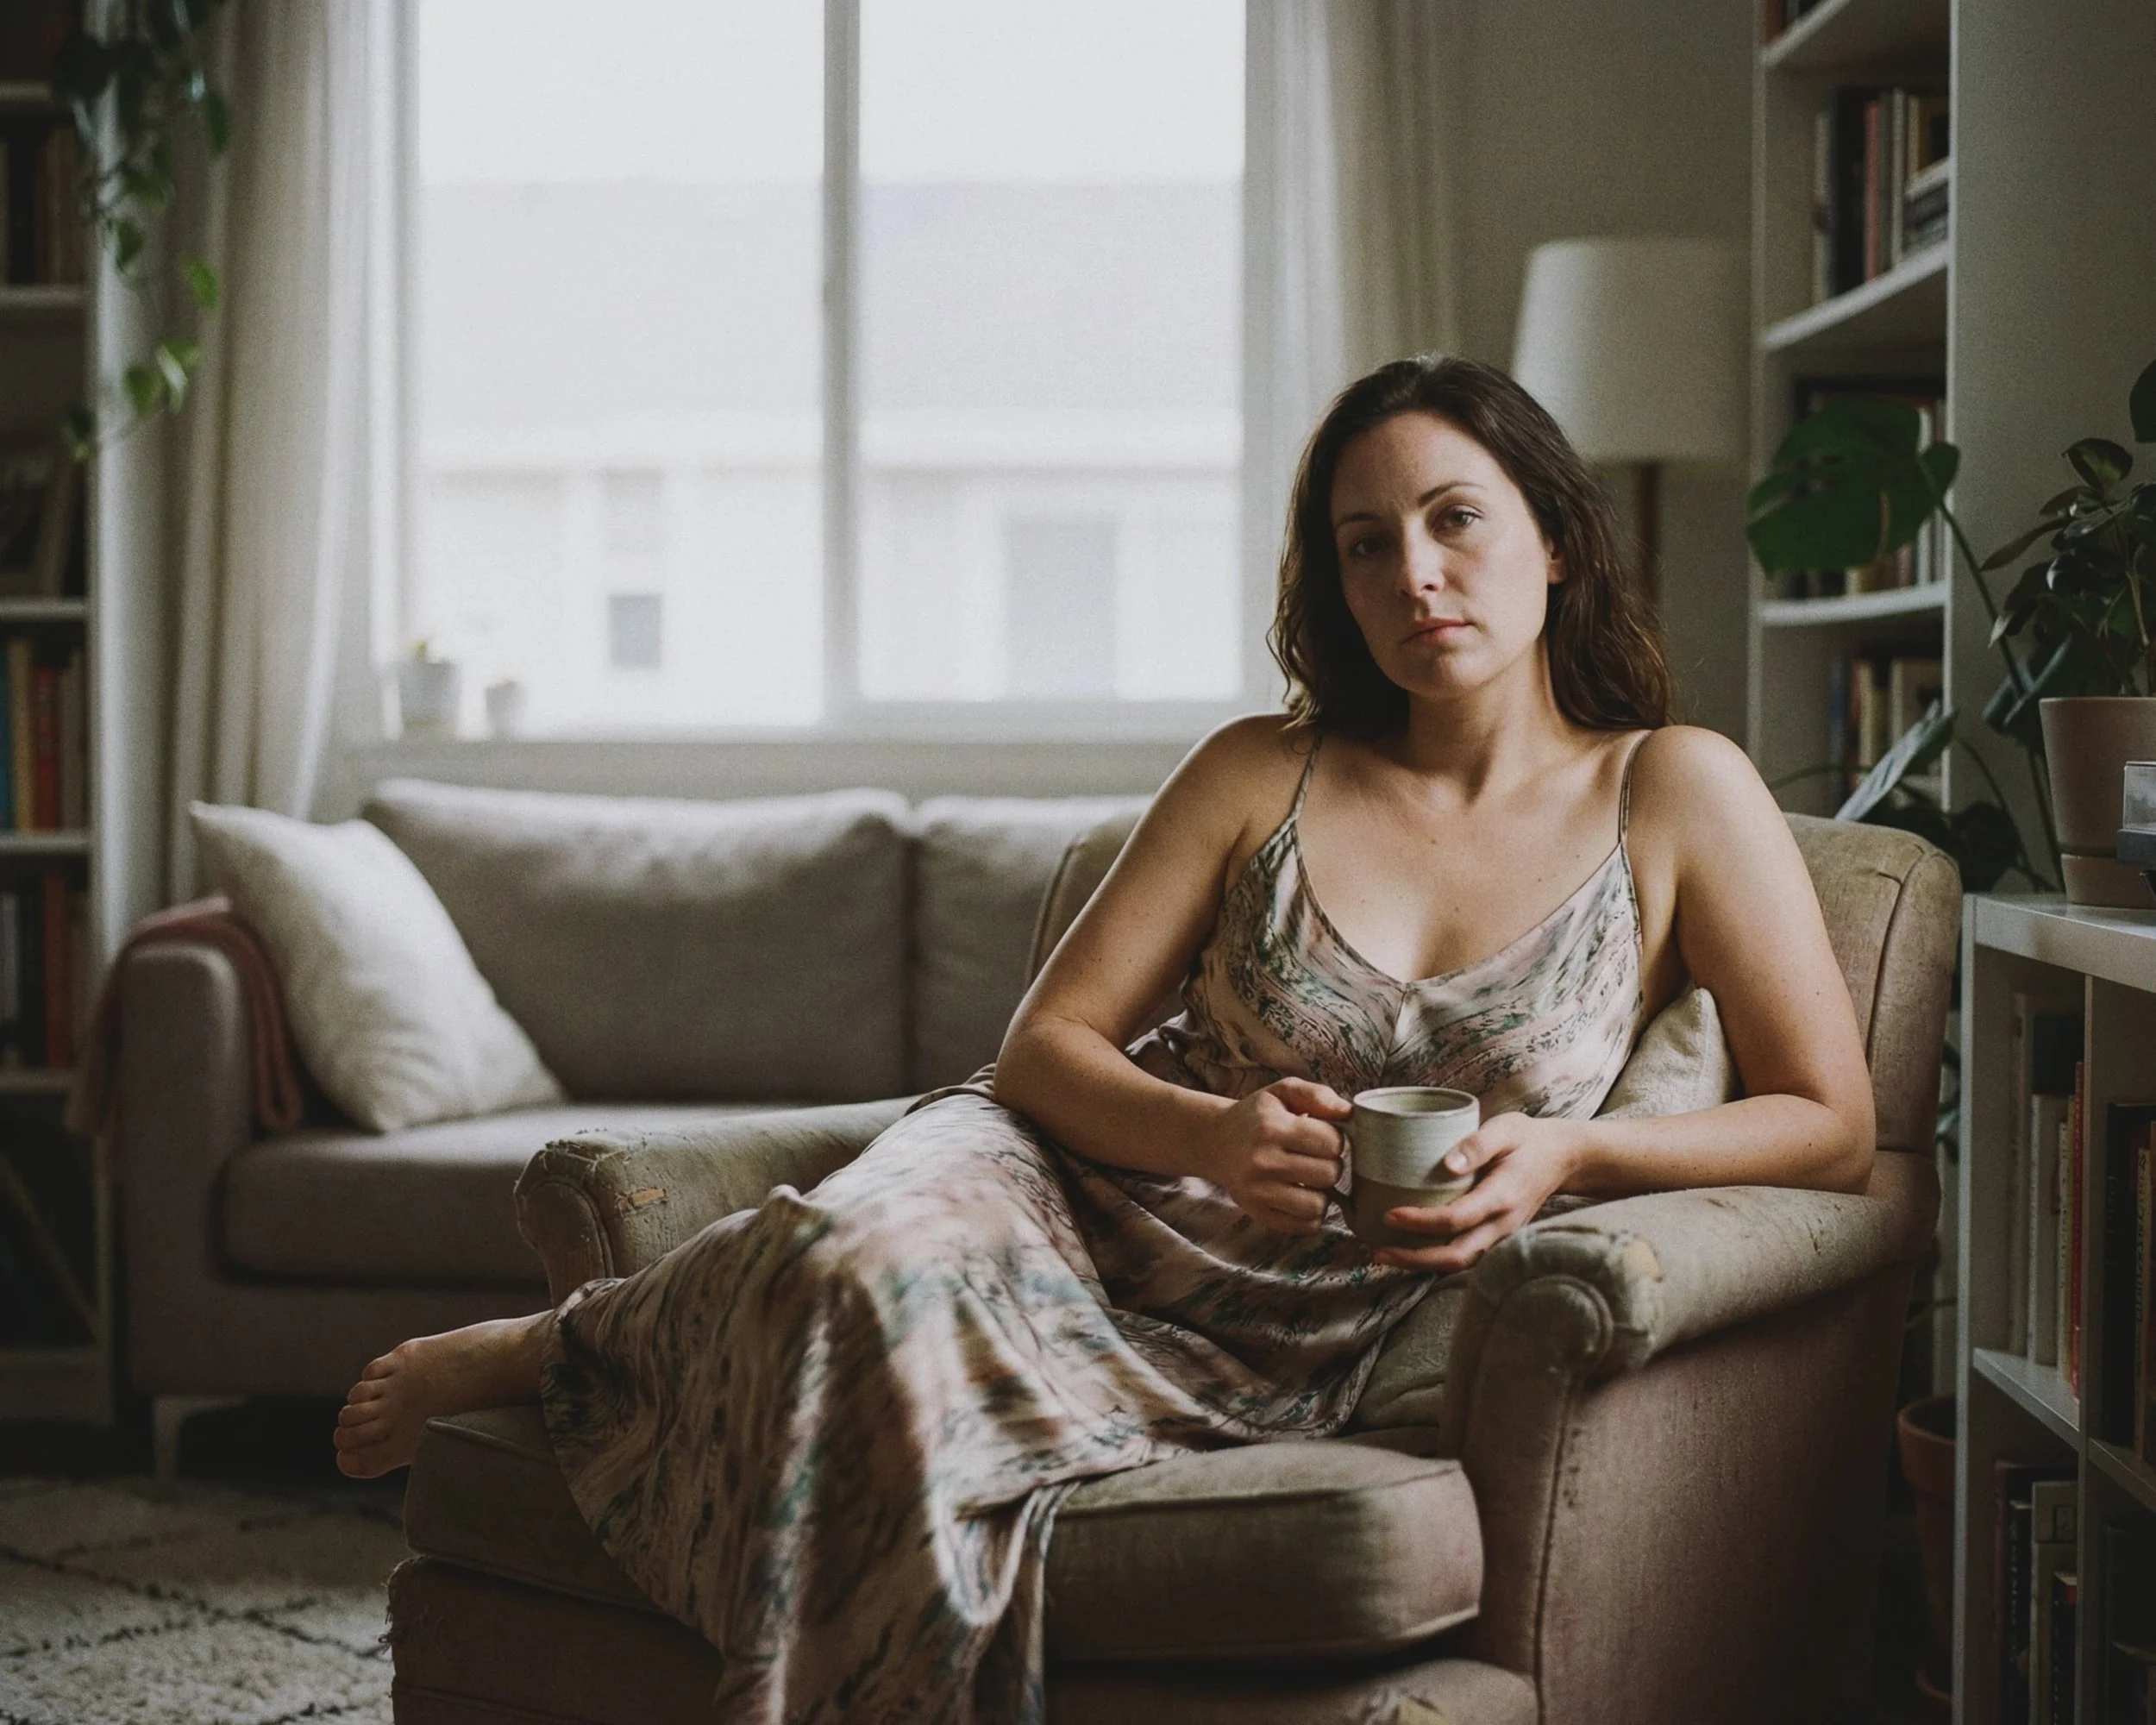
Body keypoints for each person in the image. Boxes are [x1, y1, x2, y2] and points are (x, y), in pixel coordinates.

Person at [334, 354, 1875, 1722]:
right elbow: (1043, 1051)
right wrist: (1209, 1132)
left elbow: (1831, 1121)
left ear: (1554, 534)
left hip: (1299, 1331)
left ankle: (611, 1364)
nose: (1416, 571)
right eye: (1365, 543)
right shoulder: (1258, 771)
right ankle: (568, 1340)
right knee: (847, 1269)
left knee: (886, 1401)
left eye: (1455, 518)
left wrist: (1575, 1153)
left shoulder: (1676, 791)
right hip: (1071, 1192)